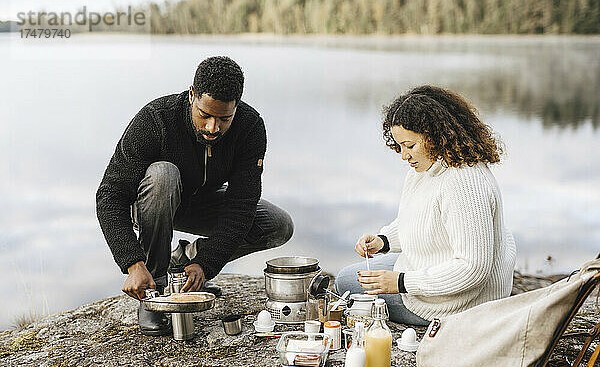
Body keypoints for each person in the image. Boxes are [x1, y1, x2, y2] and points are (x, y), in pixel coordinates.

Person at [96, 56, 294, 335]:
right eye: (205, 115)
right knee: (163, 175)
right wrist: (132, 262)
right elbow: (110, 196)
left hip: (202, 203)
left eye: (224, 118)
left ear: (236, 106)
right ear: (192, 95)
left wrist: (206, 262)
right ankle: (155, 287)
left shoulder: (250, 127)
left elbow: (242, 204)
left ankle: (185, 260)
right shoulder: (156, 119)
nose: (213, 127)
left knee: (278, 225)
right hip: (153, 199)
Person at [335, 85, 516, 326]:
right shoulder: (427, 166)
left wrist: (400, 283)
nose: (403, 155)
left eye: (410, 146)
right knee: (347, 278)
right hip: (432, 267)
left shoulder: (464, 182)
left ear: (435, 136)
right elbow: (422, 219)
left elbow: (472, 268)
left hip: (462, 301)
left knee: (347, 285)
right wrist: (384, 240)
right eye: (399, 146)